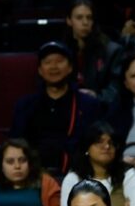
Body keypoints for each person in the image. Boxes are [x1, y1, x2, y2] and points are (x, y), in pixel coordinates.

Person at [10, 41, 102, 174]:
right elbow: (16, 144)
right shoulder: (25, 106)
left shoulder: (88, 105)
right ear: (40, 70)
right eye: (47, 62)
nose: (53, 66)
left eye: (59, 61)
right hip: (32, 174)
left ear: (70, 67)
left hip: (78, 173)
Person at [61, 121, 135, 206]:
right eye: (99, 142)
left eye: (111, 143)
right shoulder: (73, 178)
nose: (107, 147)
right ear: (87, 147)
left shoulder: (130, 173)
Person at [63, 0, 123, 104]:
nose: (85, 22)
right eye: (79, 17)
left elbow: (116, 89)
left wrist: (96, 97)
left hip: (100, 109)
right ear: (69, 20)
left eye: (89, 18)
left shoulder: (111, 51)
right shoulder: (61, 51)